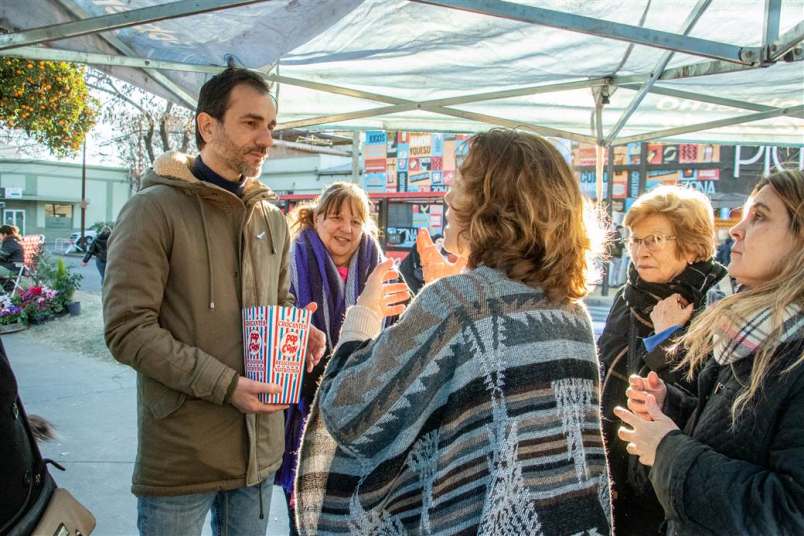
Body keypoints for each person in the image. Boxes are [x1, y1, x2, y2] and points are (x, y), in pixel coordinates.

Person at [296, 129, 612, 534]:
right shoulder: (572, 316)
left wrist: (365, 313)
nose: (447, 198)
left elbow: (349, 409)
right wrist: (458, 286)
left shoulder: (457, 304)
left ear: (492, 206)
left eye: (460, 185)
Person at [103, 67, 325, 536]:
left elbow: (278, 300)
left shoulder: (271, 216)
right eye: (251, 123)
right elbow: (127, 330)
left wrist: (296, 330)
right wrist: (226, 385)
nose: (266, 139)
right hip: (184, 456)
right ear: (208, 126)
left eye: (271, 126)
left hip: (258, 451)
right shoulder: (153, 209)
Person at [616, 170, 804, 535]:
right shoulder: (747, 329)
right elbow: (731, 433)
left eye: (760, 216)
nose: (736, 229)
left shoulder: (774, 341)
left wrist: (668, 449)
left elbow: (790, 512)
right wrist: (668, 406)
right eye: (635, 239)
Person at [598, 185, 727, 535]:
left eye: (654, 239)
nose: (641, 250)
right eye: (635, 240)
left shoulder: (718, 301)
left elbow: (699, 399)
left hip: (668, 481)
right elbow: (606, 370)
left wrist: (666, 337)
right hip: (615, 468)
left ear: (691, 244)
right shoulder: (629, 297)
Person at [276, 181, 392, 535]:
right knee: (306, 519)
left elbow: (400, 333)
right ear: (316, 218)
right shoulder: (288, 264)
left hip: (365, 417)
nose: (347, 228)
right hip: (302, 411)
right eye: (336, 217)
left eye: (356, 221)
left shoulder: (381, 270)